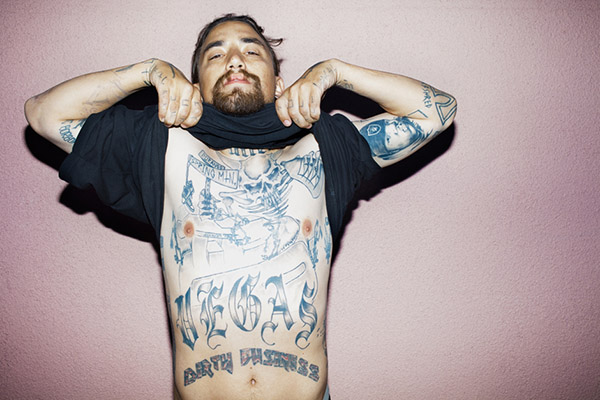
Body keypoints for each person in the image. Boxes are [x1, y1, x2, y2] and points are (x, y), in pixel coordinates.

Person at [25, 13, 456, 400]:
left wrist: (333, 71)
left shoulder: (323, 146)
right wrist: (149, 70)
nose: (234, 61)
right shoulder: (160, 144)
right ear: (195, 86)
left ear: (279, 83)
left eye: (251, 51)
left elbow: (437, 112)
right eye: (216, 55)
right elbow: (43, 114)